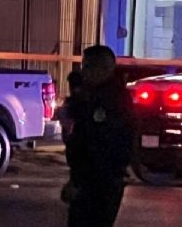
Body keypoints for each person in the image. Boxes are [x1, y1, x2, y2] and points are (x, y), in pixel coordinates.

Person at [61, 45, 134, 227]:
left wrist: (78, 182)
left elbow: (96, 145)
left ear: (103, 69)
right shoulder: (95, 96)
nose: (83, 72)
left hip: (99, 182)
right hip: (99, 179)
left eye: (87, 66)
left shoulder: (109, 101)